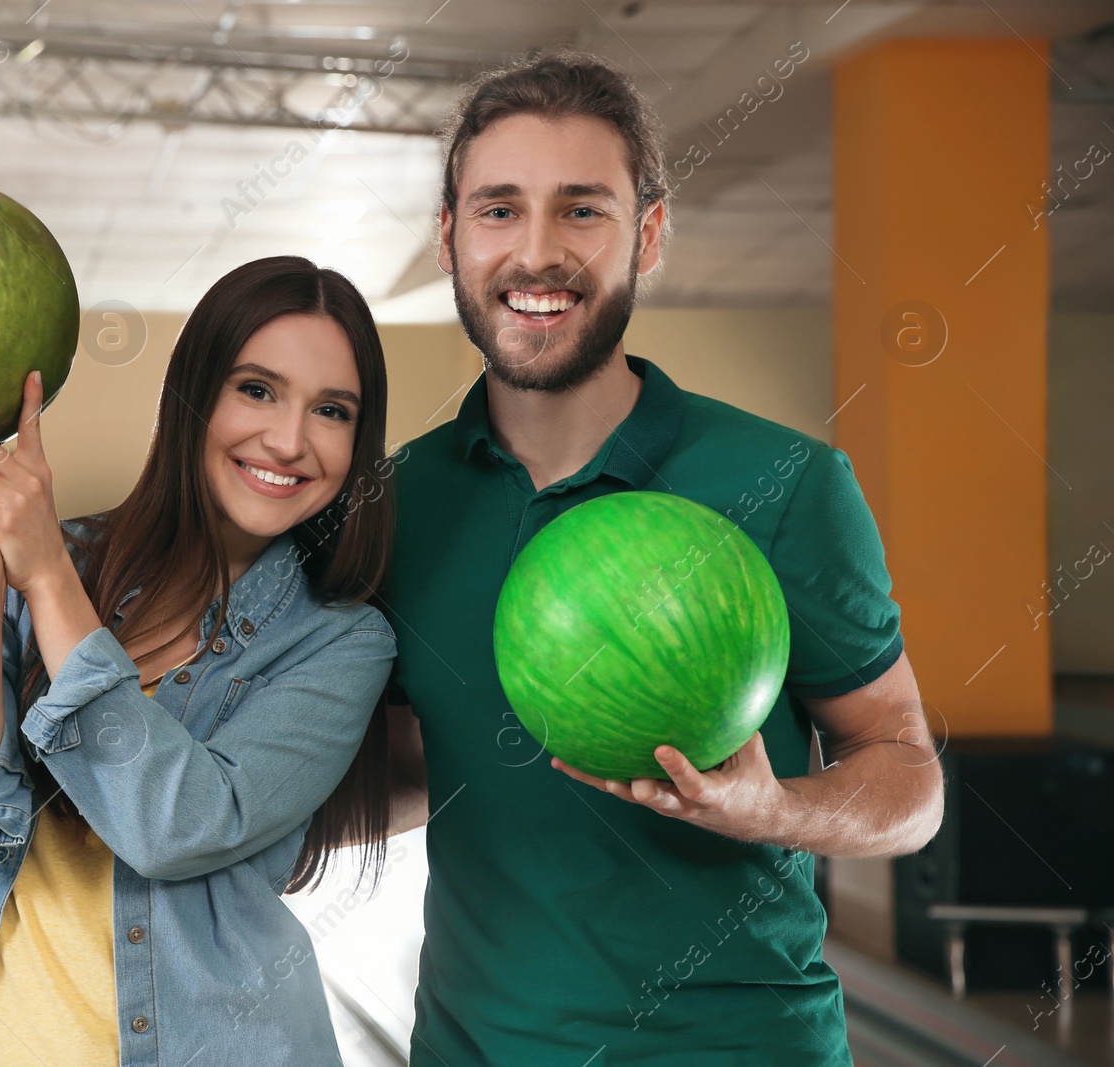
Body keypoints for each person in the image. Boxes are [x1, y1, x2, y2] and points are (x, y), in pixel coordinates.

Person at [383, 52, 945, 1064]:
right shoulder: (396, 504)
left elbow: (909, 780)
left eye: (582, 209)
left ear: (646, 235)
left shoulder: (787, 483)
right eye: (498, 209)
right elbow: (413, 770)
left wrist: (775, 809)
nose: (537, 250)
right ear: (449, 239)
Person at [0, 256, 399, 1067]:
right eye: (255, 389)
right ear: (192, 398)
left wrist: (45, 576)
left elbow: (176, 826)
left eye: (331, 410)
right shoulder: (44, 556)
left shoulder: (339, 643)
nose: (289, 439)